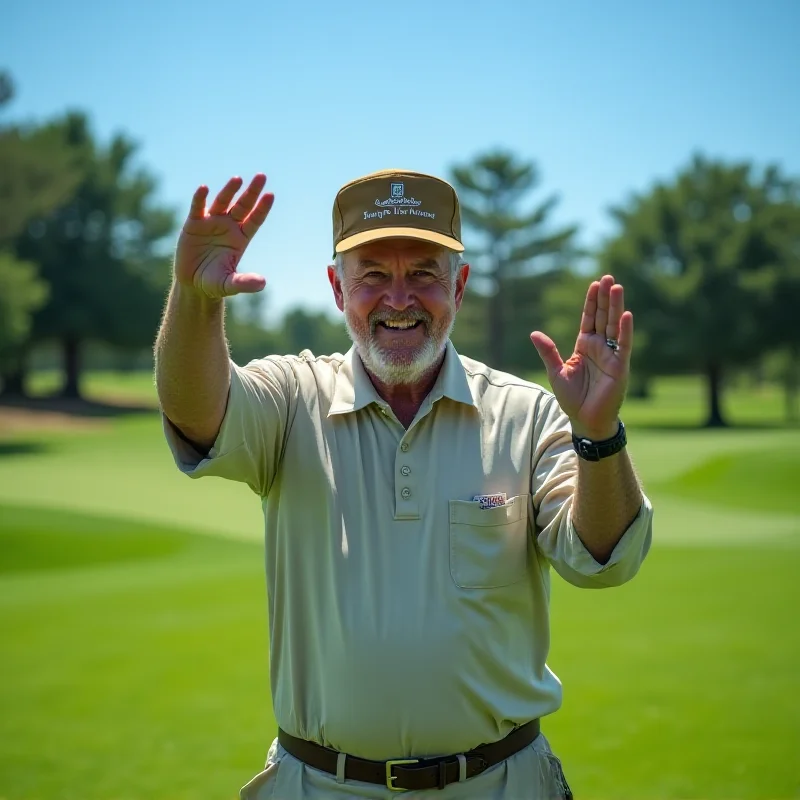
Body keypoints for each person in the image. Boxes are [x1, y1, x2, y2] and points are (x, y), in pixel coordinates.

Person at [155, 169, 653, 799]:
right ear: (337, 288)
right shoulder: (292, 397)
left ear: (460, 286)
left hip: (502, 783)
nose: (398, 298)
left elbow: (602, 560)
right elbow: (197, 411)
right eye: (372, 275)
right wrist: (194, 297)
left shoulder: (527, 413)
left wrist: (600, 434)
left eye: (423, 273)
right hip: (320, 785)